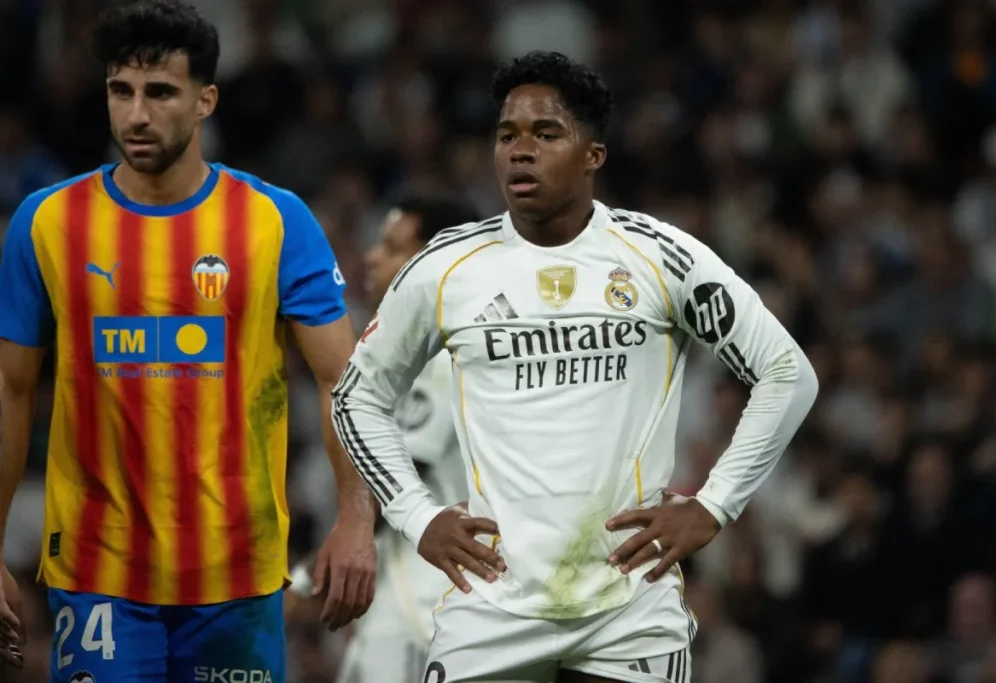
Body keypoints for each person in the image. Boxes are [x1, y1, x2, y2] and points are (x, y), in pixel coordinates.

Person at [333, 50, 819, 683]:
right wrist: (417, 516)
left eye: (546, 134)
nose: (520, 152)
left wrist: (714, 505)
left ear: (594, 155)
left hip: (628, 608)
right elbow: (356, 397)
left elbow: (786, 372)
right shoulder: (445, 269)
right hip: (491, 608)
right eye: (507, 136)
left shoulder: (659, 257)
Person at [0, 1, 378, 680]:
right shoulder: (46, 222)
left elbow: (342, 382)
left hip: (236, 574)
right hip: (97, 571)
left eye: (160, 92)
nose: (136, 114)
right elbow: (11, 387)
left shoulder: (275, 220)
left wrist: (355, 518)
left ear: (206, 101)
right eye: (121, 91)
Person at [287, 195, 480, 683]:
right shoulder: (411, 352)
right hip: (412, 591)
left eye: (393, 248)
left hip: (431, 601)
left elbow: (388, 482)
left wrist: (306, 580)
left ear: (436, 262)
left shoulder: (445, 356)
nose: (373, 257)